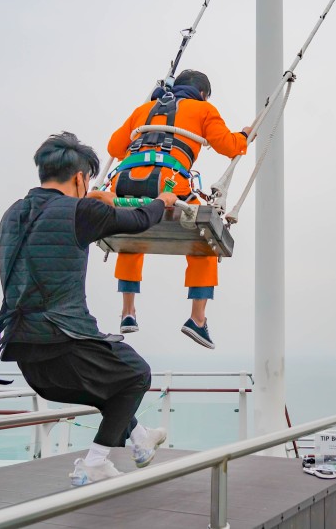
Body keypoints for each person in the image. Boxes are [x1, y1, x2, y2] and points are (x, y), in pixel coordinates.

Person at [0, 131, 179, 485]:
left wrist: (93, 201)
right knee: (137, 375)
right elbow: (138, 220)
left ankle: (140, 441)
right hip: (64, 337)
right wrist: (163, 200)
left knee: (113, 390)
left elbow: (50, 224)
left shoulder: (12, 213)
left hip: (24, 349)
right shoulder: (83, 210)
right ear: (80, 177)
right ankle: (94, 461)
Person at [105, 69, 251, 350]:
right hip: (170, 186)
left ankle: (128, 312)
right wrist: (244, 135)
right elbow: (228, 145)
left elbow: (114, 146)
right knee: (205, 239)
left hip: (123, 186)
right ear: (203, 93)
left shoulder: (144, 109)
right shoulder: (203, 109)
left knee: (130, 237)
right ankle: (197, 319)